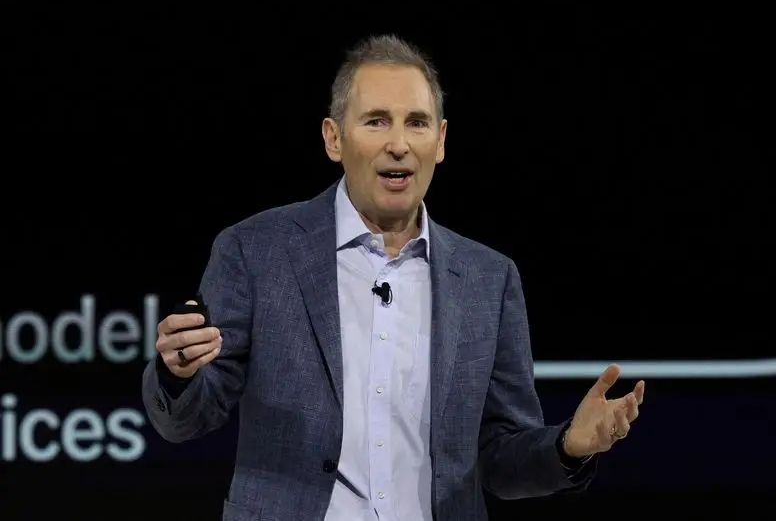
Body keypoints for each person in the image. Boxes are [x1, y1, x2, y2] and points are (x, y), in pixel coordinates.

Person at [142, 34, 645, 521]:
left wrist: (568, 446)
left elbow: (501, 460)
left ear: (441, 141)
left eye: (417, 123)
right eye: (377, 121)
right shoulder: (257, 251)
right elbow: (187, 419)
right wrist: (178, 373)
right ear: (334, 138)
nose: (399, 144)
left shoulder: (489, 280)